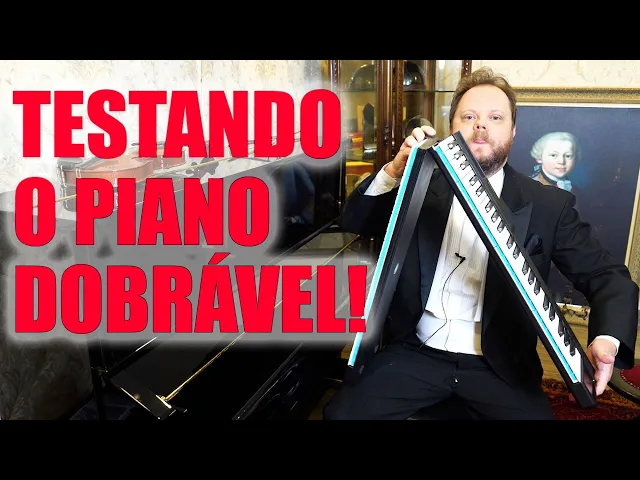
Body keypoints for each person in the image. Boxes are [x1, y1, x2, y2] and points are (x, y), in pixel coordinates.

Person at [323, 67, 639, 420]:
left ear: (514, 131)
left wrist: (608, 339)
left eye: (495, 117)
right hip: (415, 352)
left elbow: (607, 276)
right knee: (341, 416)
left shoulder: (550, 205)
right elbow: (355, 221)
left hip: (500, 365)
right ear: (451, 127)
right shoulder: (419, 186)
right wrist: (394, 172)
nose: (481, 126)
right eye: (469, 116)